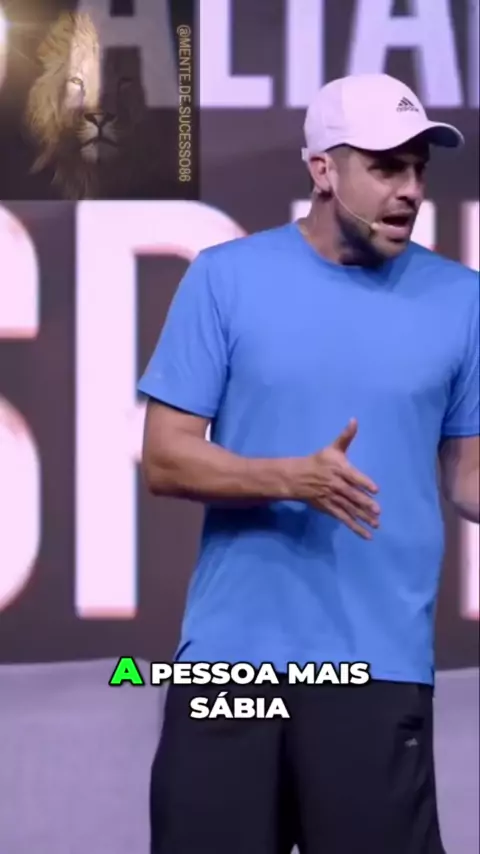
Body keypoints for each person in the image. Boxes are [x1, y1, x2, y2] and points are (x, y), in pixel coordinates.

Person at [138, 73, 479, 854]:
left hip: (376, 665)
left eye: (419, 168)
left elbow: (469, 476)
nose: (409, 189)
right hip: (232, 665)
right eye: (385, 167)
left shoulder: (464, 301)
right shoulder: (225, 278)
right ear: (324, 169)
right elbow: (165, 457)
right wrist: (292, 478)